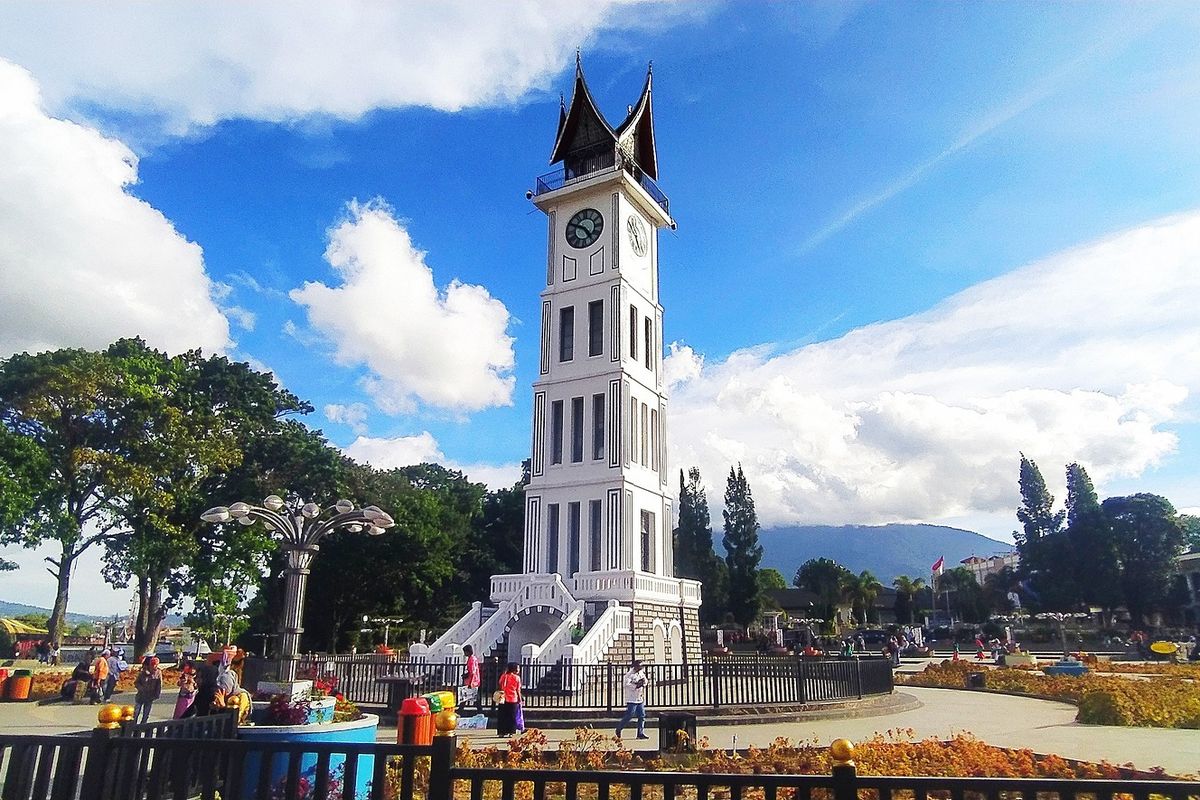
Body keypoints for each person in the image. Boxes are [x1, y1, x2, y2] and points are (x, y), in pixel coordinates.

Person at [615, 660, 650, 740]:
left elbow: (645, 680)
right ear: (635, 666)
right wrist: (636, 685)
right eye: (639, 666)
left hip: (639, 697)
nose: (640, 668)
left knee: (642, 715)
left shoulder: (641, 672)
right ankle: (619, 729)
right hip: (631, 698)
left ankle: (640, 733)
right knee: (630, 715)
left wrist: (643, 683)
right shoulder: (629, 675)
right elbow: (626, 684)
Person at [495, 662, 523, 737]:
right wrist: (520, 699)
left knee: (502, 716)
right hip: (513, 699)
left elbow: (500, 684)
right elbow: (518, 690)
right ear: (514, 669)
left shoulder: (504, 676)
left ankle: (501, 732)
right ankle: (511, 731)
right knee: (512, 717)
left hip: (503, 699)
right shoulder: (517, 678)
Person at [134, 656, 163, 724]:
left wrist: (157, 694)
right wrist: (141, 688)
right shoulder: (143, 672)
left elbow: (159, 684)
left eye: (156, 665)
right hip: (141, 695)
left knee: (146, 713)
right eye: (153, 665)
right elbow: (136, 682)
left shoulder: (158, 672)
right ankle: (133, 725)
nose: (154, 666)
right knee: (136, 712)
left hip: (150, 696)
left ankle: (143, 725)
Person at [461, 644, 482, 713]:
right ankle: (479, 711)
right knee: (470, 697)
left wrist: (471, 682)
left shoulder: (471, 659)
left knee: (467, 696)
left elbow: (472, 672)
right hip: (474, 681)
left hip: (471, 681)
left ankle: (461, 710)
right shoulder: (473, 658)